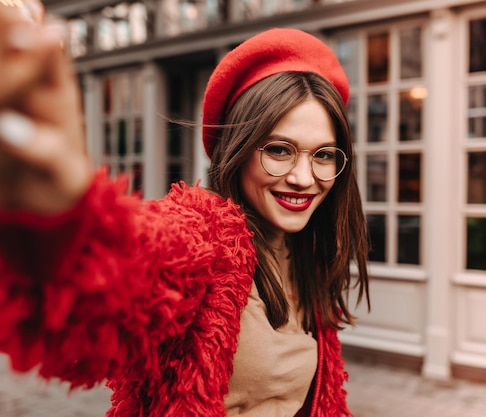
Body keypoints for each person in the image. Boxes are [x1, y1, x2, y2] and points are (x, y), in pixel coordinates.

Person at [0, 2, 370, 416]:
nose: (304, 177)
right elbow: (110, 291)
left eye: (322, 155)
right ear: (237, 151)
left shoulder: (307, 254)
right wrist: (59, 221)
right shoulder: (202, 236)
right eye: (279, 150)